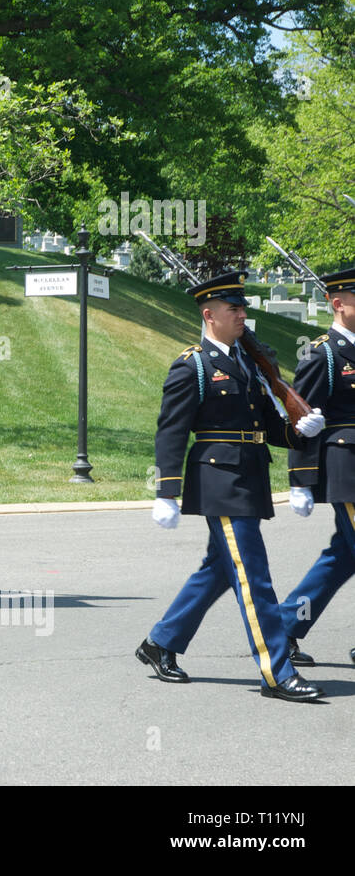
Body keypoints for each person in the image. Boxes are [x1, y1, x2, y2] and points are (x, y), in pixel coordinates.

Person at [138, 271, 327, 702]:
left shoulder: (248, 362)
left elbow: (266, 426)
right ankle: (277, 672)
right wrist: (166, 490)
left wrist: (301, 430)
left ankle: (160, 642)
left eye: (242, 308)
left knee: (221, 570)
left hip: (249, 478)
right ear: (209, 315)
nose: (242, 314)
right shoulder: (194, 366)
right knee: (254, 578)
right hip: (219, 482)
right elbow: (171, 430)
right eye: (233, 309)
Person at [280, 267, 355, 666]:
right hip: (346, 469)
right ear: (338, 303)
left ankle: (285, 626)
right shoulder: (321, 351)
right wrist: (300, 480)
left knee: (342, 556)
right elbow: (302, 418)